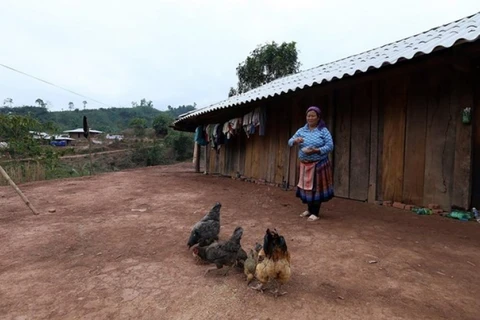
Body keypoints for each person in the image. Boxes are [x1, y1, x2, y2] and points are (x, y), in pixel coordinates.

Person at [288, 106, 334, 221]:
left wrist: (316, 150)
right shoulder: (301, 131)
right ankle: (309, 210)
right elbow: (289, 141)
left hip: (319, 164)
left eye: (313, 115)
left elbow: (330, 146)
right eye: (308, 115)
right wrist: (295, 141)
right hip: (305, 164)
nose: (310, 118)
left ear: (318, 117)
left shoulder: (323, 130)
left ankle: (315, 213)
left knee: (316, 189)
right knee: (307, 189)